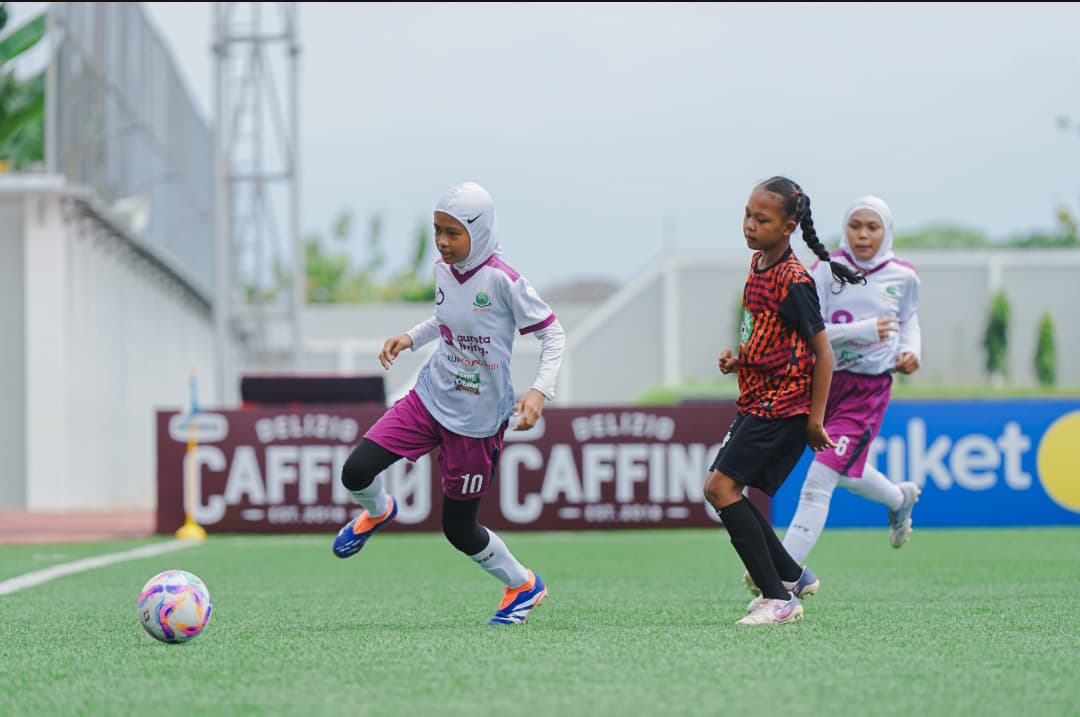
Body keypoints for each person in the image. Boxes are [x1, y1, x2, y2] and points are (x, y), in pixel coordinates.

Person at [331, 181, 565, 626]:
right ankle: (379, 511)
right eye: (437, 229)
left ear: (479, 232)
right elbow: (445, 318)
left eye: (453, 233)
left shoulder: (503, 281)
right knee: (356, 471)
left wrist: (539, 390)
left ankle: (522, 584)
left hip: (476, 423)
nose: (442, 241)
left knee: (458, 530)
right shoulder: (443, 269)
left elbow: (553, 334)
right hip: (429, 396)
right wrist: (410, 337)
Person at [704, 175, 864, 626]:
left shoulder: (795, 280)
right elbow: (771, 337)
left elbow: (823, 353)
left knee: (720, 489)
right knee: (725, 489)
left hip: (785, 406)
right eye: (748, 215)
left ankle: (778, 599)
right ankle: (793, 575)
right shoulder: (758, 263)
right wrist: (741, 360)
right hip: (757, 397)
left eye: (762, 218)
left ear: (789, 226)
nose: (750, 225)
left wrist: (815, 420)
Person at [772, 195, 922, 572]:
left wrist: (910, 351)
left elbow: (909, 319)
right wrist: (865, 330)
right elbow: (810, 331)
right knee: (848, 476)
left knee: (818, 482)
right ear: (844, 228)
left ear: (886, 232)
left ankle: (780, 574)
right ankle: (898, 500)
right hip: (821, 383)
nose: (863, 234)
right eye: (856, 226)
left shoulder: (903, 276)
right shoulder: (826, 269)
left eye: (873, 227)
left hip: (866, 392)